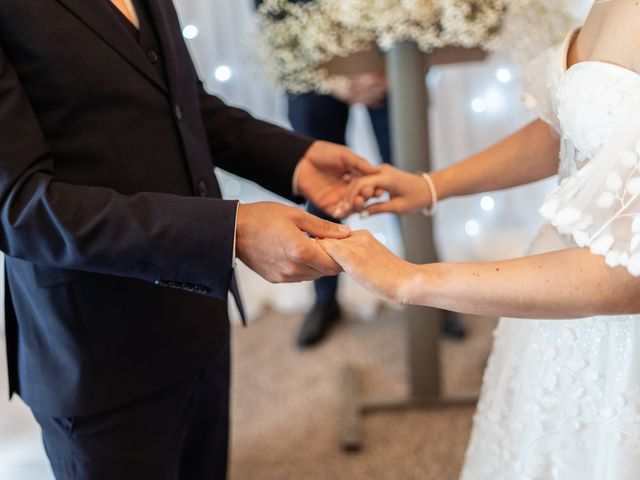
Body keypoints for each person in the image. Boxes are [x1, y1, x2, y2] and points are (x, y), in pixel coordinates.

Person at [0, 1, 378, 478]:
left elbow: (183, 104)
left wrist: (296, 160)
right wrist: (230, 232)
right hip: (98, 352)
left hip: (199, 312)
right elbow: (21, 208)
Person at [320, 0, 640, 477]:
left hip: (612, 326)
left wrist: (411, 281)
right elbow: (570, 127)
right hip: (555, 294)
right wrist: (432, 184)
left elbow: (626, 275)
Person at [255, 0, 465, 347]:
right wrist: (328, 73)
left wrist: (396, 64)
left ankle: (432, 296)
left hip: (395, 60)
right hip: (310, 70)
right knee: (318, 188)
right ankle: (324, 299)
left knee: (410, 181)